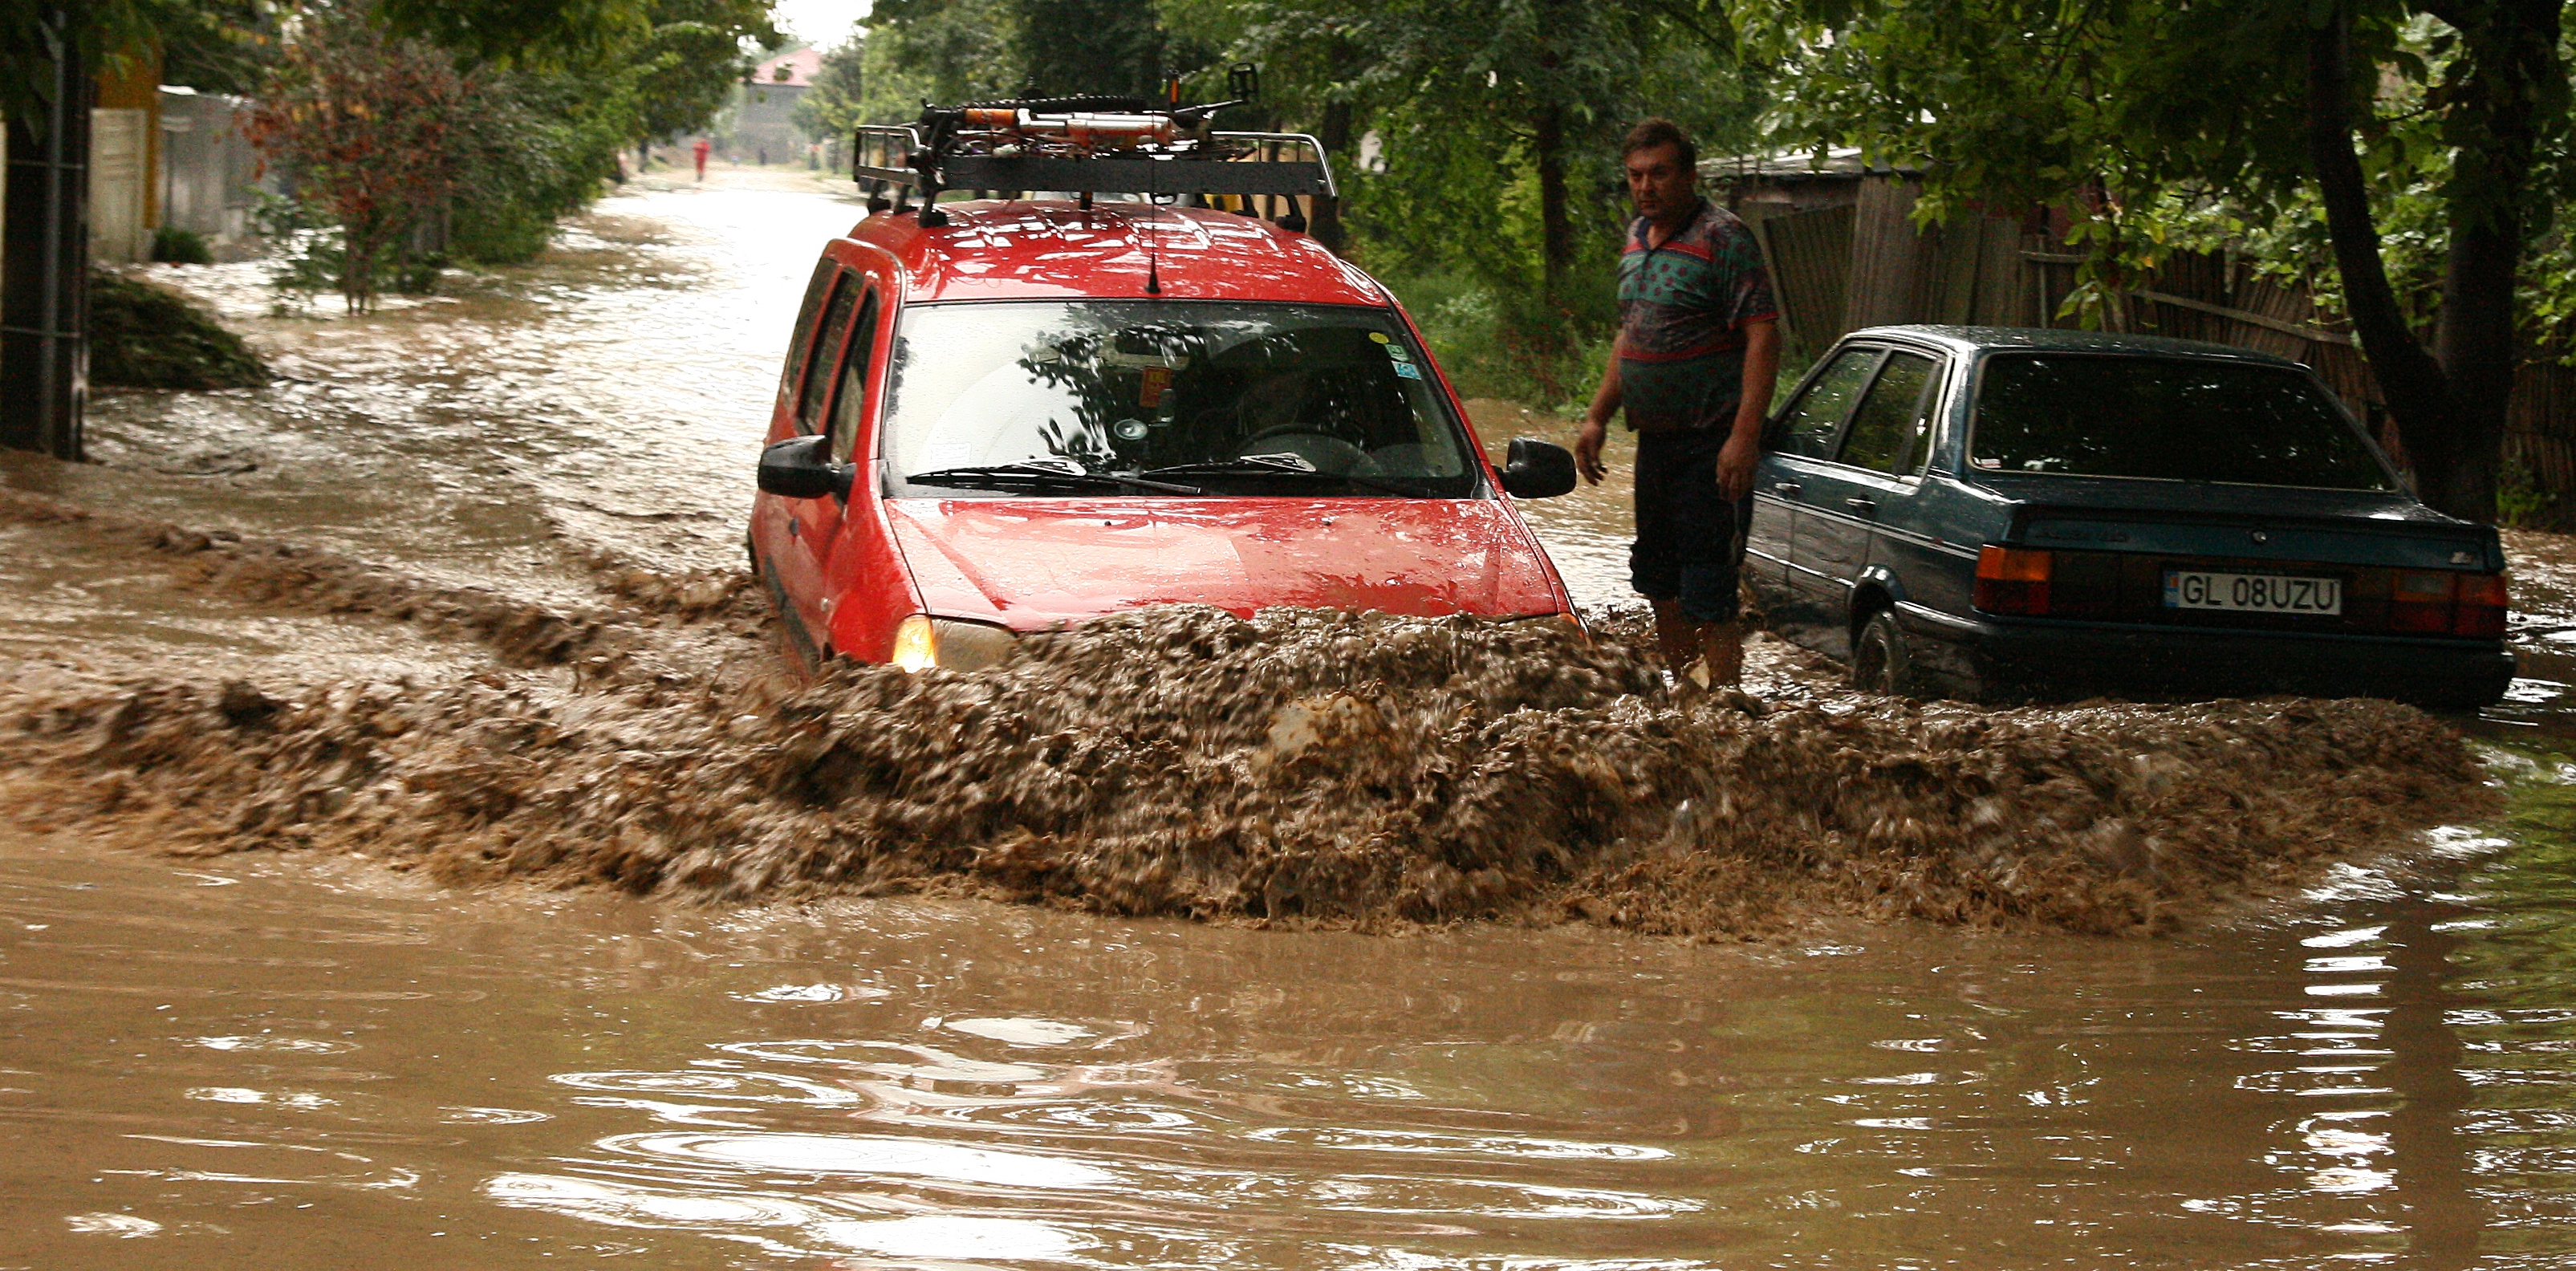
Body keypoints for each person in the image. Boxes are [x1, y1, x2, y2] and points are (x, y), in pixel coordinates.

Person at [1574, 117, 1781, 692]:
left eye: (1660, 173)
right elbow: (1630, 335)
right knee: (1659, 580)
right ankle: (1687, 696)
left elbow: (1764, 335)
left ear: (1689, 174)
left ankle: (1726, 707)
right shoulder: (1637, 238)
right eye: (1636, 176)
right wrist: (1597, 416)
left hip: (1711, 441)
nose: (1647, 186)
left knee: (1709, 588)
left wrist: (1745, 437)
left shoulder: (1724, 237)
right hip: (1656, 442)